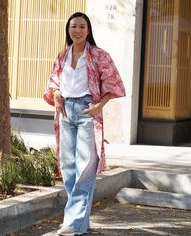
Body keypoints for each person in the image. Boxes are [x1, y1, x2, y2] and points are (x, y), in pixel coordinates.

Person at [43, 12, 125, 236]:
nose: (77, 30)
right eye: (73, 26)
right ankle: (80, 222)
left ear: (88, 30)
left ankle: (72, 222)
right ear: (68, 30)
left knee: (85, 168)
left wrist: (99, 106)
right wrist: (57, 94)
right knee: (69, 169)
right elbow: (54, 83)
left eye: (81, 26)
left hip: (87, 111)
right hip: (65, 112)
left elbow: (114, 84)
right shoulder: (62, 56)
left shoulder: (99, 55)